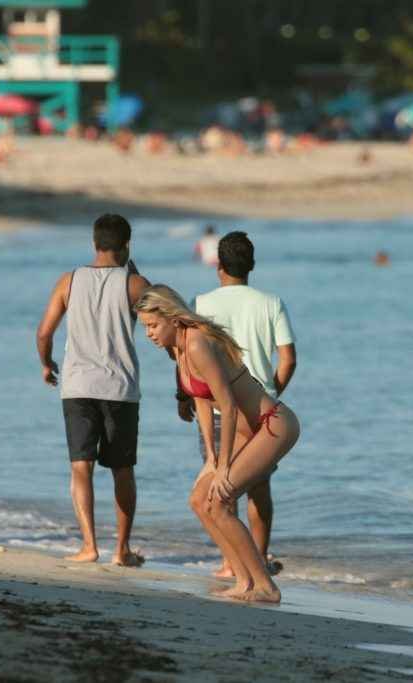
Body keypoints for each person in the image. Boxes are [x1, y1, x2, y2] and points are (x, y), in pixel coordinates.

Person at [136, 285, 300, 603]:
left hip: (271, 425)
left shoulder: (196, 342)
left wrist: (224, 466)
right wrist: (211, 458)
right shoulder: (178, 349)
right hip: (245, 431)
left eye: (153, 325)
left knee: (221, 500)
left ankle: (266, 586)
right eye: (145, 327)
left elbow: (227, 405)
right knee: (200, 500)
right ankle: (245, 581)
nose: (149, 334)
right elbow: (201, 402)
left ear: (172, 317)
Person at [180, 231, 297, 578]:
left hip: (217, 410)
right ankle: (257, 558)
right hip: (259, 411)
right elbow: (288, 359)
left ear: (219, 266)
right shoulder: (270, 302)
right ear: (252, 266)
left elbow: (189, 357)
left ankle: (231, 562)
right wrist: (271, 393)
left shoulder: (201, 303)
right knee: (258, 490)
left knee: (221, 485)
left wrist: (185, 397)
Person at [36, 214, 150, 566]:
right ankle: (122, 550)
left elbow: (44, 333)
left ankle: (89, 546)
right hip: (120, 388)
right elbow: (160, 326)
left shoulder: (68, 281)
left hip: (78, 386)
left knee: (80, 467)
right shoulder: (134, 283)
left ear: (94, 244)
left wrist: (46, 363)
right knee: (122, 470)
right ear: (127, 245)